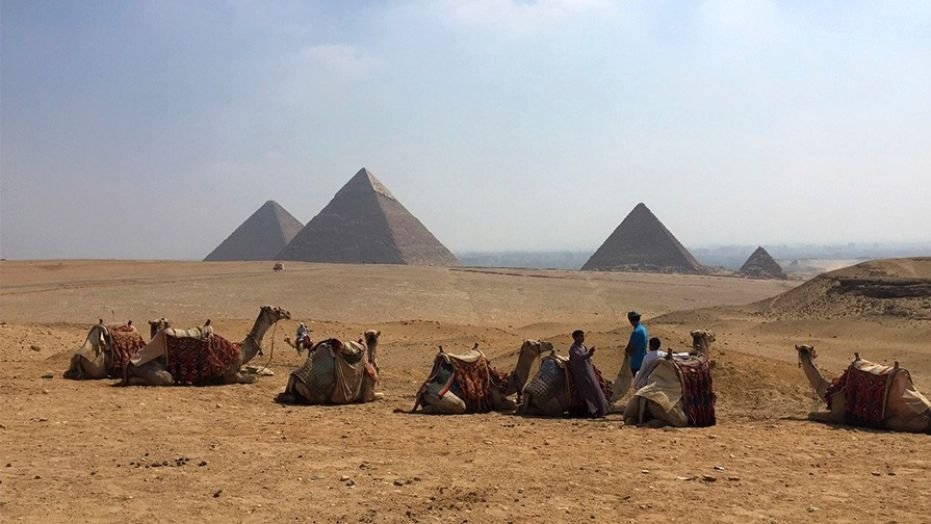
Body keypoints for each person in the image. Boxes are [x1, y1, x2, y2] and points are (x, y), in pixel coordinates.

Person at [568, 330, 609, 418]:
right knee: (588, 393)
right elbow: (579, 358)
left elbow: (587, 358)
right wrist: (589, 353)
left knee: (596, 390)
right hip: (581, 375)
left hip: (589, 372)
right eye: (580, 336)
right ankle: (593, 411)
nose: (583, 338)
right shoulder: (573, 349)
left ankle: (600, 410)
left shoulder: (583, 347)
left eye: (583, 336)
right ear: (575, 338)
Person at [624, 311, 649, 376]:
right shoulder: (643, 329)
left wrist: (626, 352)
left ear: (631, 321)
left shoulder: (636, 332)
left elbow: (630, 347)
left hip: (636, 363)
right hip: (643, 360)